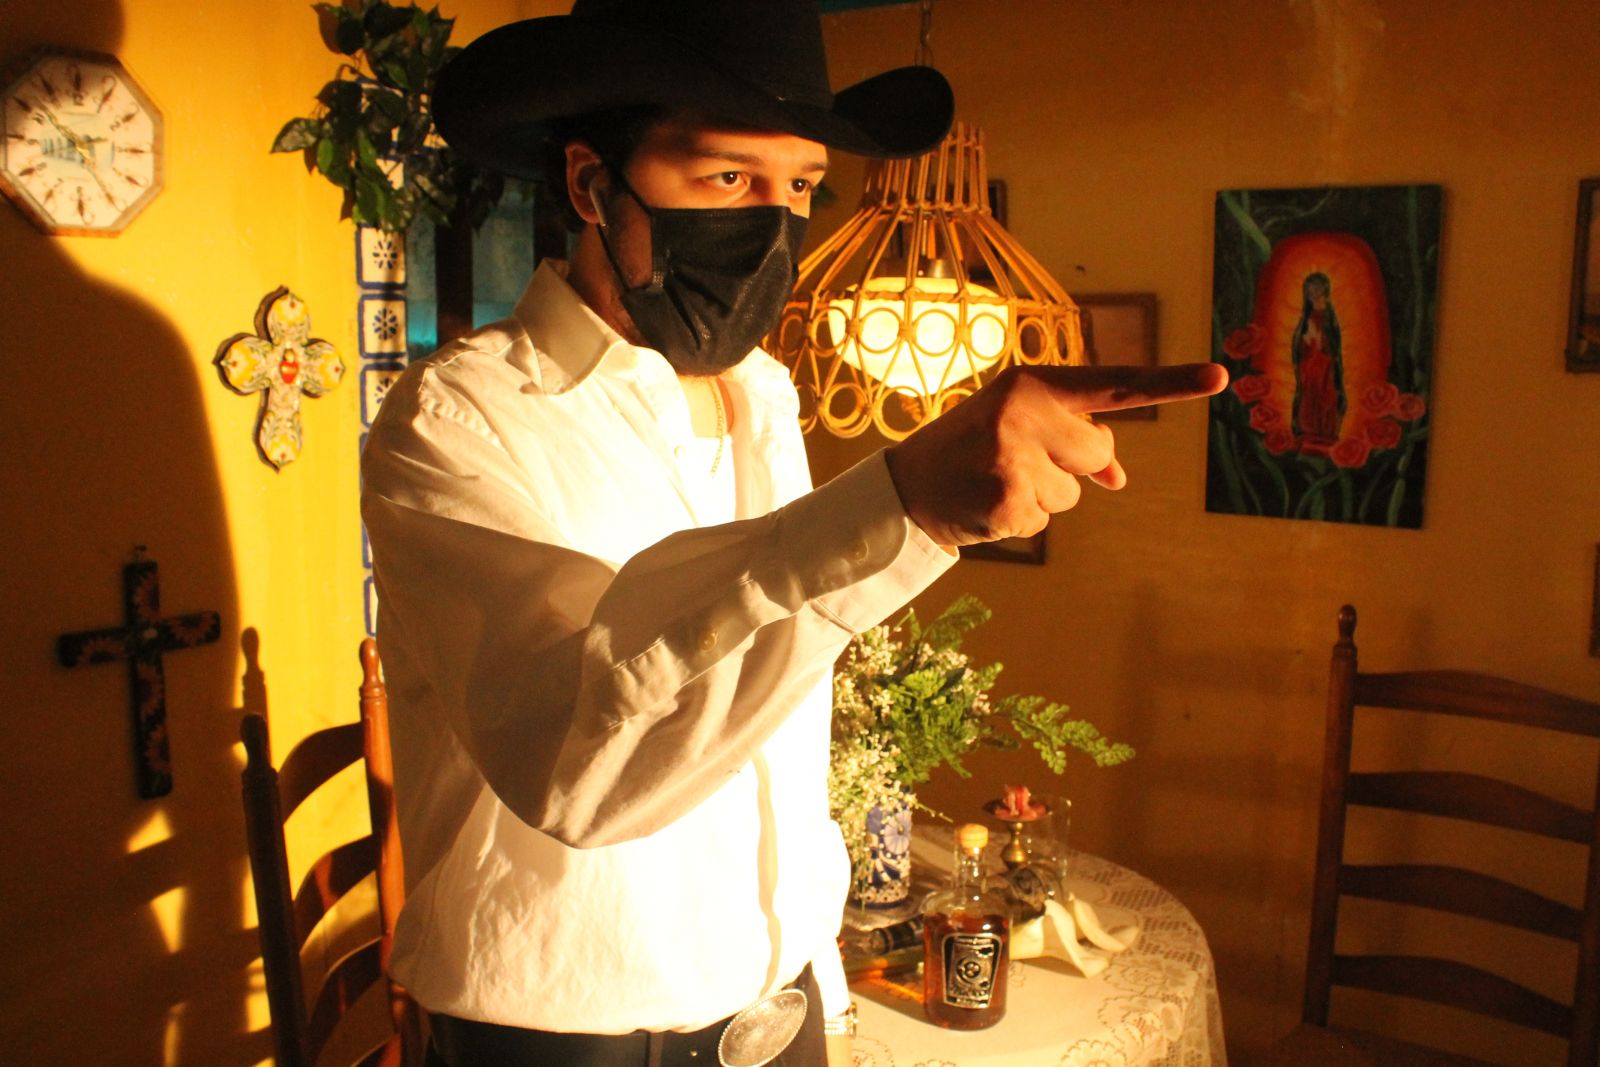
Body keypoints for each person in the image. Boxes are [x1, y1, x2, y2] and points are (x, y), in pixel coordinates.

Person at [360, 2, 1227, 1065]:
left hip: (780, 1009)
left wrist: (814, 973)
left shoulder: (762, 390)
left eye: (802, 187)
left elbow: (764, 721)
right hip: (569, 1037)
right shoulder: (456, 418)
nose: (774, 225)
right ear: (590, 183)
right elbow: (577, 763)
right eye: (727, 178)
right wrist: (899, 501)